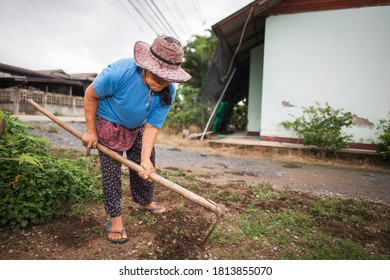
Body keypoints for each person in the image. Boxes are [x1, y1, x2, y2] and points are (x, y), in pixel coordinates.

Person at [81, 35, 191, 244]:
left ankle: (144, 201)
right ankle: (114, 218)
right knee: (112, 172)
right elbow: (90, 94)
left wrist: (145, 159)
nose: (162, 82)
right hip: (109, 121)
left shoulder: (168, 90)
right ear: (145, 66)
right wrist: (90, 131)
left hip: (138, 126)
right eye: (158, 76)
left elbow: (152, 126)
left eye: (167, 77)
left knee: (145, 166)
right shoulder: (118, 73)